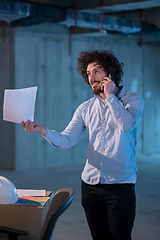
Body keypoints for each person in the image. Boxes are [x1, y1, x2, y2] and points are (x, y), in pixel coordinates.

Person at [22, 50, 144, 240]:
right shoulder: (85, 108)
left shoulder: (133, 100)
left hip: (120, 185)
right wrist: (42, 130)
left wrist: (110, 96)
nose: (91, 78)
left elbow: (126, 125)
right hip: (90, 186)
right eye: (88, 74)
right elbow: (66, 140)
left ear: (110, 73)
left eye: (96, 71)